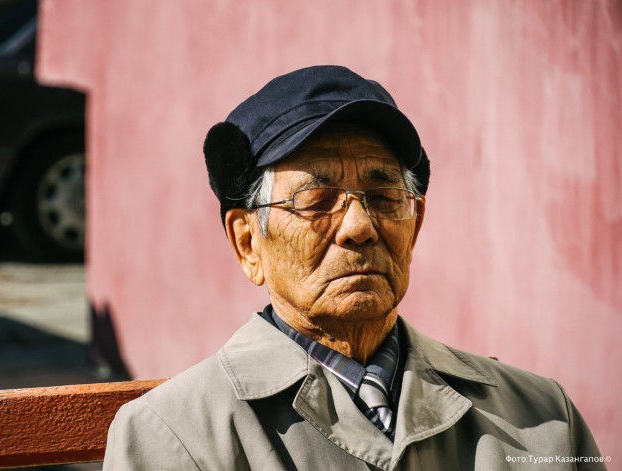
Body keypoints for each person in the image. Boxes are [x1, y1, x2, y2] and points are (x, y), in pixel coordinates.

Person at [103, 65, 604, 470]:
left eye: (384, 197)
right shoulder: (173, 437)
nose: (360, 226)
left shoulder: (543, 418)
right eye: (316, 201)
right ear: (248, 244)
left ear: (415, 226)